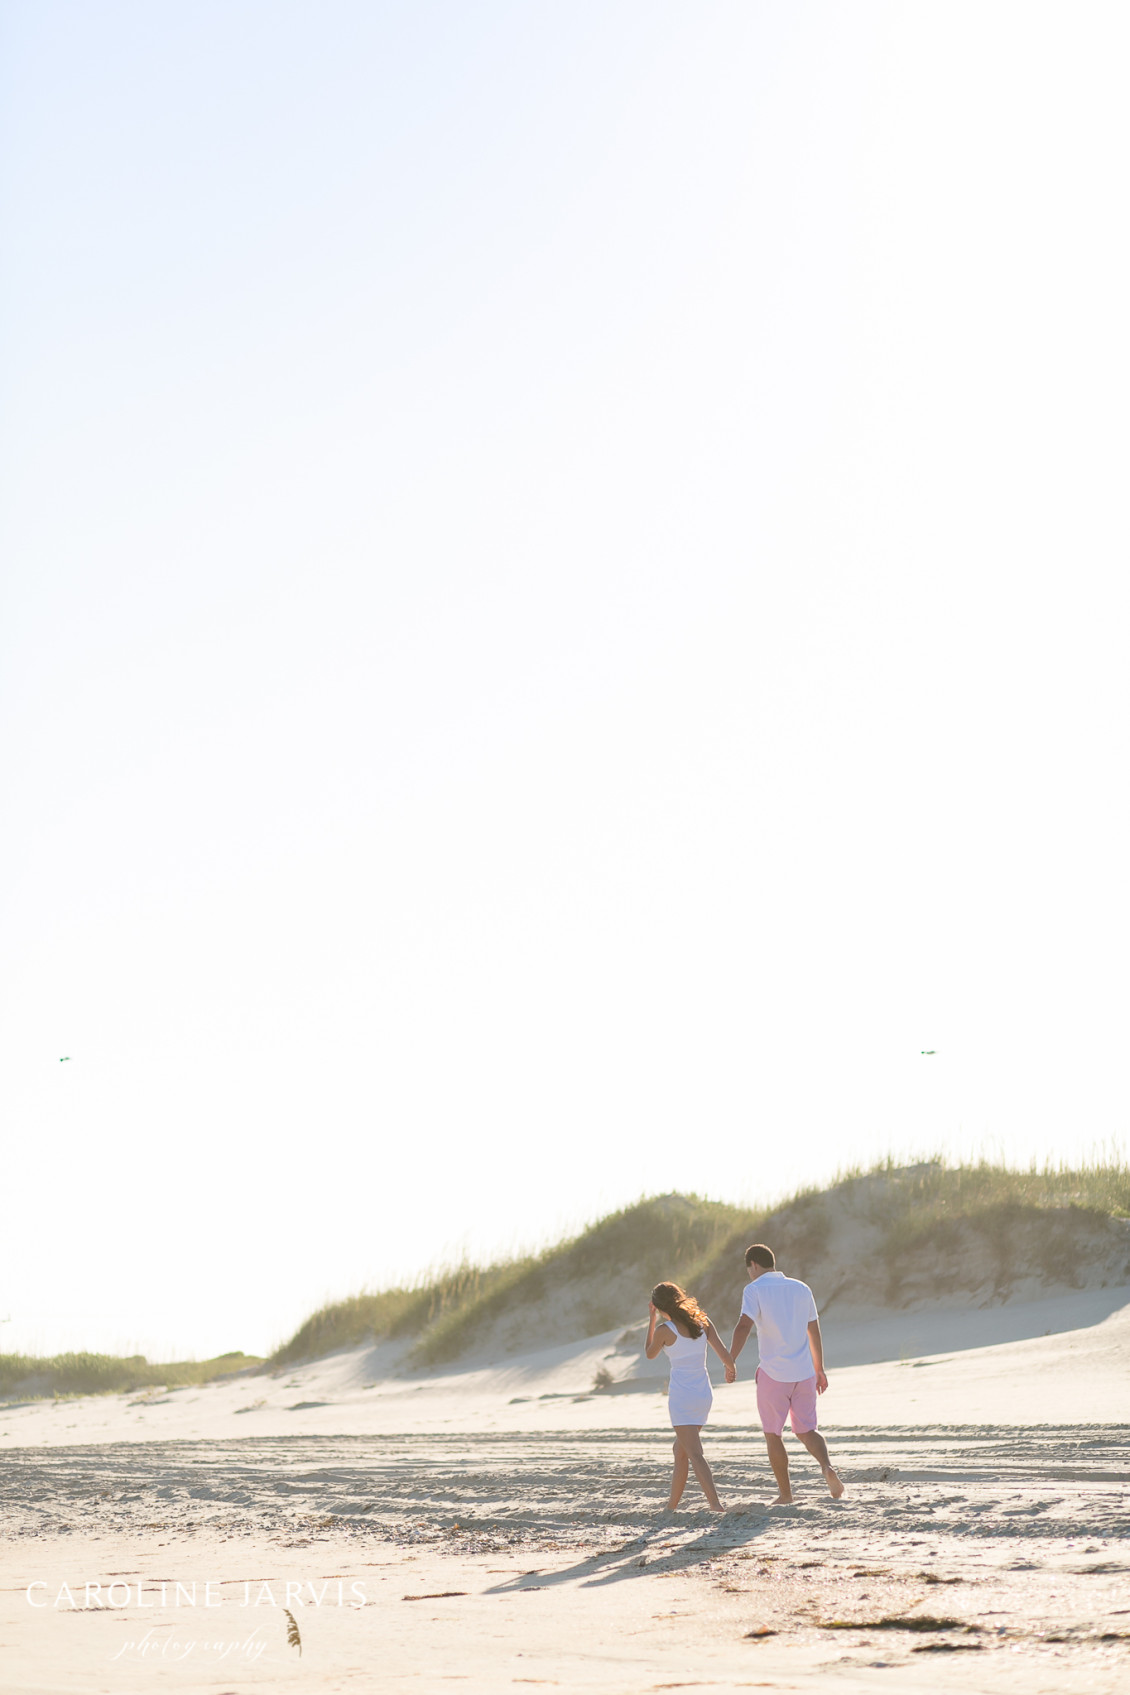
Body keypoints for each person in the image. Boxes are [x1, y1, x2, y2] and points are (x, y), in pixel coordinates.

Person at [729, 1244, 845, 1504]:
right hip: (804, 1373)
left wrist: (730, 1359)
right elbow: (813, 1329)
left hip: (773, 1374)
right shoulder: (801, 1288)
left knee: (773, 1434)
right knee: (807, 1430)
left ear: (753, 1265)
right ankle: (827, 1467)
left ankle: (785, 1494)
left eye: (749, 1269)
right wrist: (819, 1368)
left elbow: (744, 1325)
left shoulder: (754, 1289)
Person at [646, 1281, 736, 1513]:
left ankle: (715, 1504)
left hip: (683, 1397)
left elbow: (650, 1354)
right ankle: (671, 1507)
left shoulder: (664, 1330)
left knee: (694, 1453)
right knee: (681, 1450)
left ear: (658, 1306)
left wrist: (651, 1320)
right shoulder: (702, 1323)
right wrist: (729, 1369)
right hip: (703, 1393)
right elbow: (725, 1354)